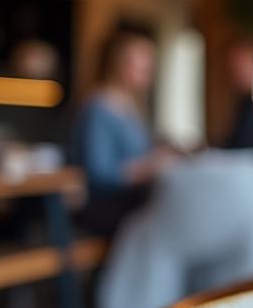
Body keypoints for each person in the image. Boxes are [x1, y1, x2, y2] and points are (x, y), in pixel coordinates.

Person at [70, 26, 175, 234]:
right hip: (107, 206)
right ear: (119, 64)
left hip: (131, 202)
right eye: (141, 66)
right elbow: (99, 174)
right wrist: (149, 167)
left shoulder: (131, 106)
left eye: (150, 66)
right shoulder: (99, 108)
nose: (148, 73)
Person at [222, 37, 253, 153]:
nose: (236, 73)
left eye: (241, 66)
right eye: (232, 67)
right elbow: (235, 143)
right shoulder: (244, 102)